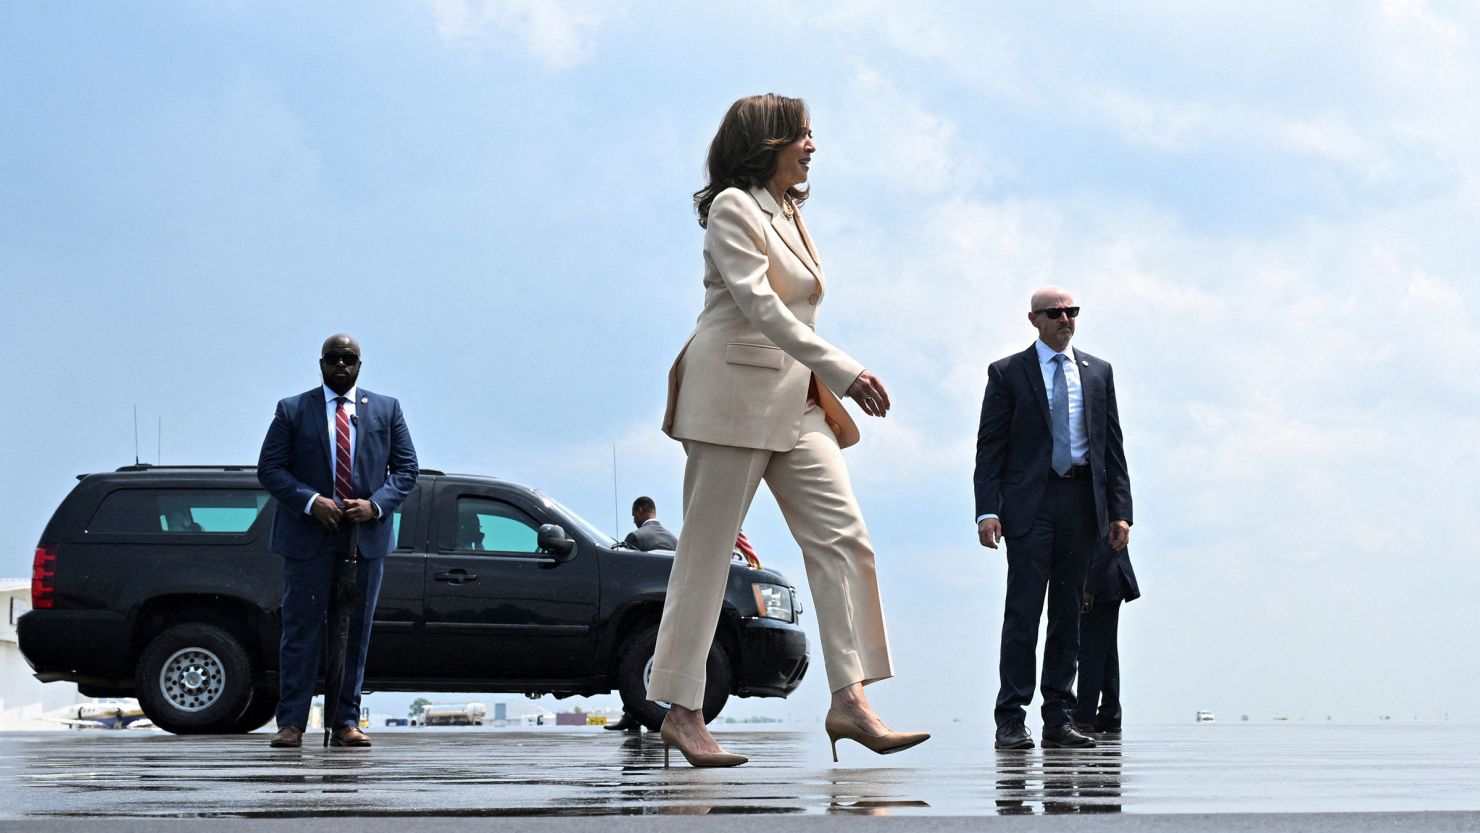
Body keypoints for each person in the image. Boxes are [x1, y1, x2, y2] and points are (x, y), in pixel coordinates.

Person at [650, 93, 928, 767]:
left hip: (794, 400)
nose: (811, 147)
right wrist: (845, 372)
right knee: (707, 556)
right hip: (731, 395)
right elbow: (761, 304)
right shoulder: (732, 208)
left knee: (844, 536)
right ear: (766, 142)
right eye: (801, 136)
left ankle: (850, 698)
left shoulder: (790, 211)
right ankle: (683, 712)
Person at [974, 287, 1132, 751]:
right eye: (1055, 313)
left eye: (1071, 311)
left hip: (1083, 503)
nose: (1065, 319)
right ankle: (1010, 718)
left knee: (1069, 615)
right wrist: (988, 509)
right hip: (1030, 505)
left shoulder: (1098, 372)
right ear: (1033, 319)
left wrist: (1120, 511)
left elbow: (1112, 447)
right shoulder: (1007, 372)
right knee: (1023, 612)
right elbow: (991, 446)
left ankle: (1059, 717)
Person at [258, 334, 419, 749]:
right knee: (301, 632)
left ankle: (346, 721)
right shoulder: (293, 409)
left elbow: (406, 471)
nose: (341, 365)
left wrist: (376, 506)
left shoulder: (386, 409)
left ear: (360, 364)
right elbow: (270, 469)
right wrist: (312, 502)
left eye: (349, 359)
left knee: (355, 632)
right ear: (321, 363)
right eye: (334, 358)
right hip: (307, 539)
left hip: (363, 540)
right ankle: (291, 723)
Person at [1073, 541, 1139, 735]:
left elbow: (1105, 543)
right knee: (1107, 652)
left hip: (1100, 582)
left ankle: (1084, 716)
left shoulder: (1103, 510)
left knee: (1089, 652)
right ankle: (1110, 714)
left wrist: (1089, 587)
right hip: (1109, 580)